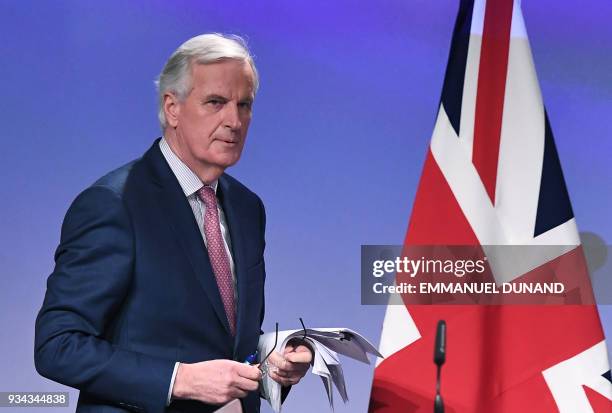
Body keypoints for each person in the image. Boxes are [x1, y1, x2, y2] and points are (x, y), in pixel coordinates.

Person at [35, 33, 311, 413]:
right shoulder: (114, 204)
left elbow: (224, 340)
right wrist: (178, 379)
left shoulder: (248, 208)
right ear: (173, 107)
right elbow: (58, 345)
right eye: (216, 102)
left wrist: (273, 363)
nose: (234, 120)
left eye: (244, 104)